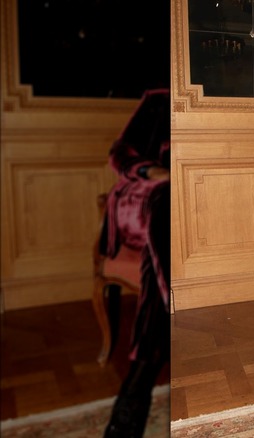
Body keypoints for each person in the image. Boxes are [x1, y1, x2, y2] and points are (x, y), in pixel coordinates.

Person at [101, 89, 171, 436]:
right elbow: (121, 151)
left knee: (160, 259)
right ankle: (138, 383)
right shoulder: (159, 100)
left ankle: (136, 388)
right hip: (143, 199)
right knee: (167, 207)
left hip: (177, 213)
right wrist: (151, 169)